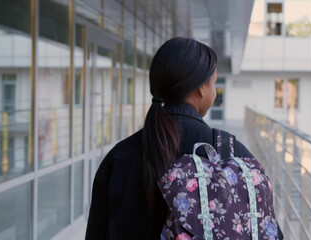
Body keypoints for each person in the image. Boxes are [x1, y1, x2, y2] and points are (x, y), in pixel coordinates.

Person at [85, 37, 283, 239]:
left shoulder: (120, 157)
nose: (214, 92)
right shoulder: (232, 155)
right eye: (213, 83)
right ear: (201, 88)